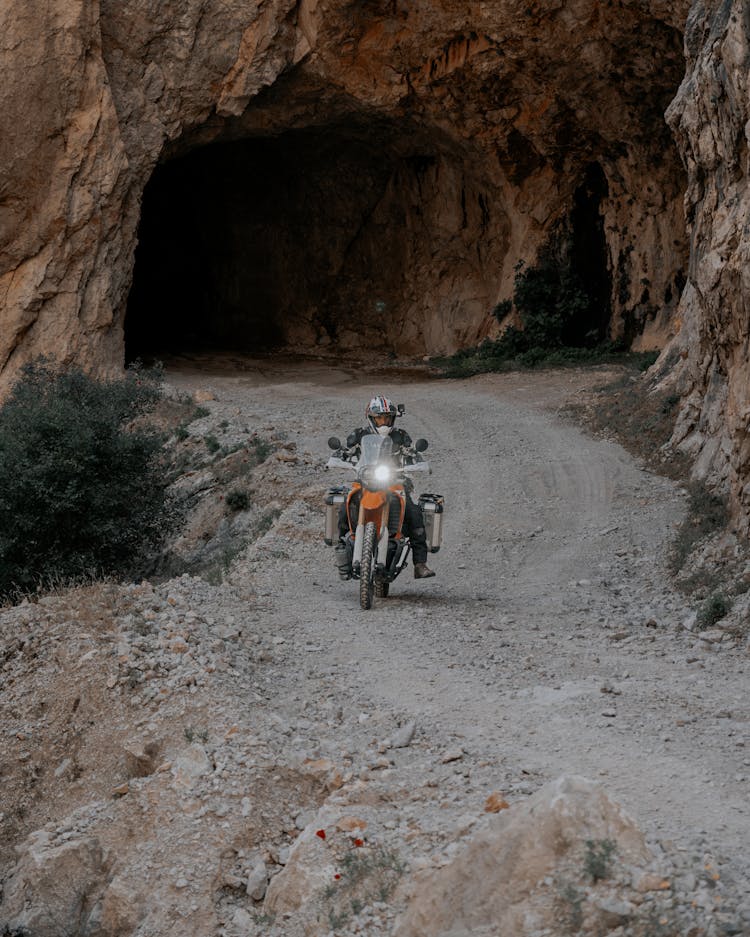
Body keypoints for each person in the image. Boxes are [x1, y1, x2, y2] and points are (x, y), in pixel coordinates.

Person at [335, 395, 436, 580]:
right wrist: (338, 456)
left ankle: (420, 564)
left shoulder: (401, 435)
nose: (384, 422)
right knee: (344, 508)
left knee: (414, 515)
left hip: (395, 481)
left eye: (387, 418)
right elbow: (345, 451)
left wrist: (418, 460)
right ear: (372, 418)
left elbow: (412, 452)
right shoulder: (359, 435)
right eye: (380, 418)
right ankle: (340, 548)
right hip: (364, 480)